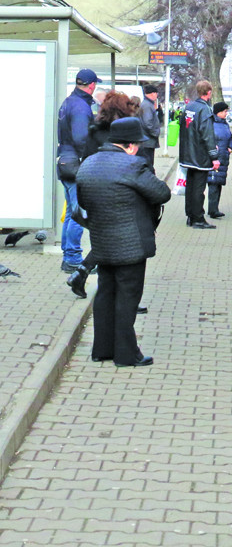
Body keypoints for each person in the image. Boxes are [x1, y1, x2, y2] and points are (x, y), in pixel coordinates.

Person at [76, 117, 171, 367]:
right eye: (137, 144)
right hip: (130, 244)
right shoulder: (133, 165)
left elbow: (83, 201)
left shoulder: (88, 163)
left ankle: (102, 349)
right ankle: (127, 355)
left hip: (102, 241)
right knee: (128, 297)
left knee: (105, 293)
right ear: (130, 145)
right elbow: (162, 193)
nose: (138, 149)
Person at [65, 92, 136, 299]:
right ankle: (124, 295)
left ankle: (81, 273)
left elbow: (86, 161)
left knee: (106, 239)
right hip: (117, 192)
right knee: (122, 243)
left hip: (95, 192)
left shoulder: (94, 131)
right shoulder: (123, 133)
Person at [56, 69, 98, 272]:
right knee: (79, 213)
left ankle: (68, 255)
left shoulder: (68, 102)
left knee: (71, 213)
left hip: (64, 160)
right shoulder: (81, 106)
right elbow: (81, 138)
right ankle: (73, 257)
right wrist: (90, 161)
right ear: (92, 85)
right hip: (75, 162)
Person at [179, 80, 221, 228]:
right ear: (209, 93)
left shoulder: (188, 107)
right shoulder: (205, 110)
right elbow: (207, 135)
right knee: (199, 188)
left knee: (190, 186)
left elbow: (182, 128)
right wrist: (214, 156)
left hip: (187, 154)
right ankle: (198, 218)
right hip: (200, 156)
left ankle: (190, 216)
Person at [207, 102, 232, 219]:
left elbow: (230, 137)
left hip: (223, 158)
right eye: (224, 111)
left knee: (218, 183)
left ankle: (215, 208)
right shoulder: (211, 124)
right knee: (213, 183)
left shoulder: (225, 124)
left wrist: (230, 147)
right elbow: (208, 139)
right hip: (215, 159)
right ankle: (212, 210)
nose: (226, 113)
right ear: (218, 112)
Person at [137, 84, 161, 172]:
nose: (157, 95)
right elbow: (148, 123)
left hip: (147, 140)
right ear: (152, 93)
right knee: (148, 163)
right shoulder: (147, 105)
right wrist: (155, 133)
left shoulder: (147, 104)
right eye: (156, 93)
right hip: (147, 141)